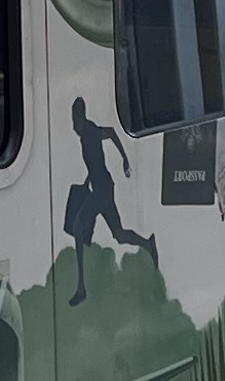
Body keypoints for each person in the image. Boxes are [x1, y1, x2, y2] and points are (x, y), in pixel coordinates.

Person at [62, 93, 156, 302]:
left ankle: (81, 288)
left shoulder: (90, 132)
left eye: (74, 120)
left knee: (78, 226)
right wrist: (87, 181)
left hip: (103, 190)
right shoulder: (86, 136)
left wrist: (124, 159)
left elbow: (112, 132)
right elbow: (95, 162)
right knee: (119, 234)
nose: (73, 126)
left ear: (80, 117)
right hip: (102, 187)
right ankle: (148, 244)